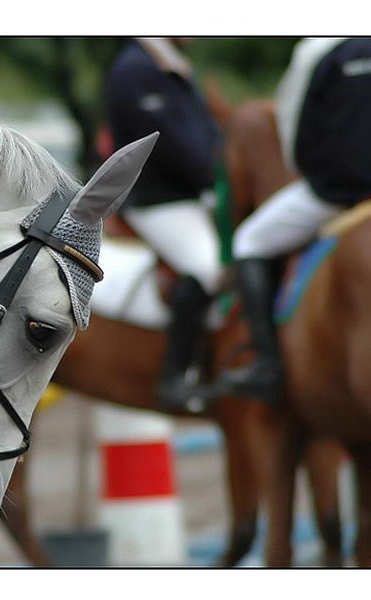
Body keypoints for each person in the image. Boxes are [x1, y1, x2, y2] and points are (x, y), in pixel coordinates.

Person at [217, 37, 371, 404]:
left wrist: (308, 172)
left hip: (335, 194)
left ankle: (266, 364)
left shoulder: (317, 50)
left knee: (248, 241)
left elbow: (292, 122)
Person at [107, 37, 223, 411]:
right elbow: (170, 147)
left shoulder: (170, 66)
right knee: (210, 269)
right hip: (158, 200)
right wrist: (214, 177)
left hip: (192, 196)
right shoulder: (135, 69)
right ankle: (177, 377)